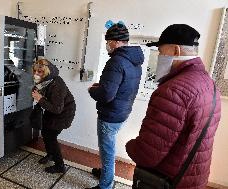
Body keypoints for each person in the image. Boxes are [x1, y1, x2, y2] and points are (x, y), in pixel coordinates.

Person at [126, 24, 221, 189]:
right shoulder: (208, 84)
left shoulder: (173, 90)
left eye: (161, 51)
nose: (159, 55)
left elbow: (147, 154)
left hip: (168, 179)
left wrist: (130, 145)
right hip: (194, 176)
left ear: (176, 50)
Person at [87, 23, 144, 189]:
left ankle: (106, 185)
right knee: (108, 148)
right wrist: (103, 86)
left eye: (109, 41)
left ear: (116, 42)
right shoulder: (135, 61)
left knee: (107, 151)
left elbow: (106, 95)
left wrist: (92, 90)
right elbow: (122, 87)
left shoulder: (116, 62)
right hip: (123, 111)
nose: (107, 45)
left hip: (110, 115)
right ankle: (107, 174)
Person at [31, 59, 76, 174]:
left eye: (40, 72)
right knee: (45, 134)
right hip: (51, 111)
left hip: (63, 114)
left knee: (51, 137)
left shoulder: (57, 83)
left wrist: (40, 98)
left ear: (46, 71)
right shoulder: (45, 80)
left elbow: (57, 108)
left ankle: (60, 166)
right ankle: (50, 155)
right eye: (35, 71)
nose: (36, 74)